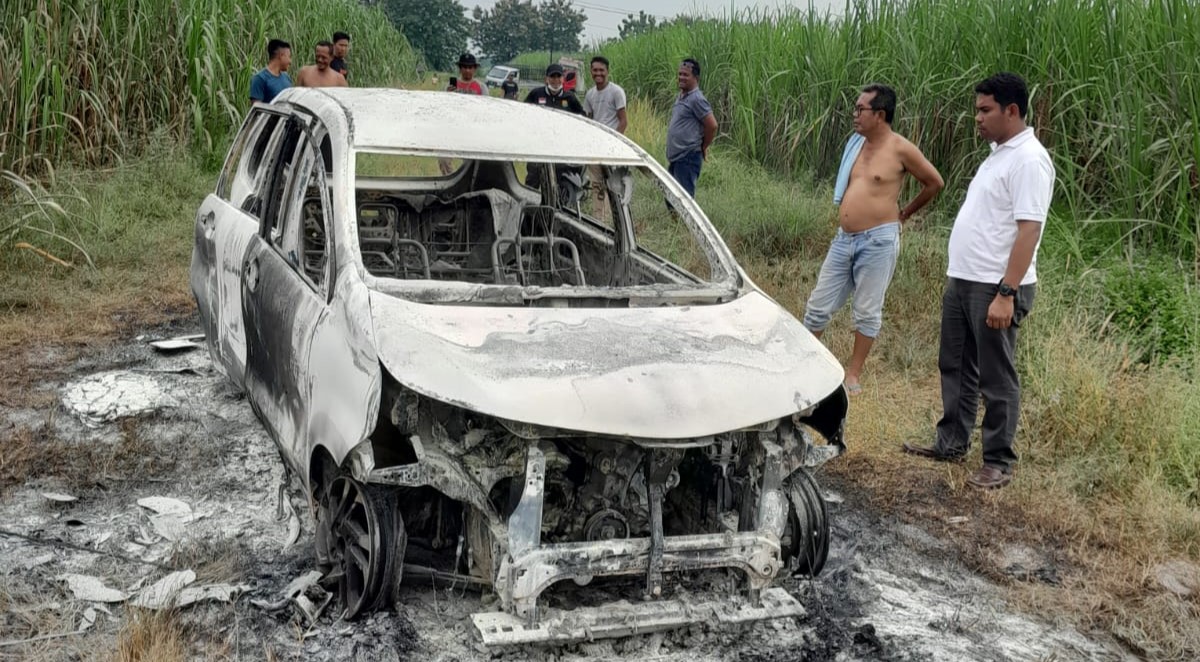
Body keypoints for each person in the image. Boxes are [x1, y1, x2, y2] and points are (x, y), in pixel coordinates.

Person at [902, 72, 1055, 490]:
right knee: (954, 364)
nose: (978, 118)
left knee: (995, 376)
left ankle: (998, 461)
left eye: (985, 110)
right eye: (976, 110)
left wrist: (1007, 293)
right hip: (965, 281)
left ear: (1012, 110)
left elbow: (1029, 230)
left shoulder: (1029, 159)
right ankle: (950, 442)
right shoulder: (998, 154)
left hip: (995, 286)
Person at [803, 84, 943, 395]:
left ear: (879, 115)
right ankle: (804, 365)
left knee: (866, 310)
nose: (854, 115)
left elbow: (934, 182)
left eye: (860, 109)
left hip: (878, 241)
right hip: (845, 239)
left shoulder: (900, 149)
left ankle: (852, 375)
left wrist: (905, 212)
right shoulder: (856, 144)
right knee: (817, 306)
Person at [524, 64, 585, 189]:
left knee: (557, 184)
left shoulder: (570, 98)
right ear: (546, 79)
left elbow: (581, 119)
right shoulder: (536, 94)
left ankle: (554, 207)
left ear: (563, 79)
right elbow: (523, 113)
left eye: (558, 76)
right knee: (532, 181)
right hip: (538, 146)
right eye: (552, 77)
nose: (555, 80)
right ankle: (531, 208)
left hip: (560, 148)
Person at [583, 56, 628, 221]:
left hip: (611, 146)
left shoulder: (616, 92)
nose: (598, 73)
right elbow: (589, 119)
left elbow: (623, 121)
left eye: (601, 70)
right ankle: (599, 219)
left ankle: (614, 220)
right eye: (595, 70)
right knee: (597, 184)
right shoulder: (590, 94)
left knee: (613, 184)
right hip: (595, 146)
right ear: (591, 72)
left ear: (607, 71)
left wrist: (614, 141)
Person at [666, 58, 717, 198]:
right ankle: (675, 220)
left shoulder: (697, 99)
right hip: (677, 157)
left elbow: (712, 125)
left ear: (696, 78)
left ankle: (681, 221)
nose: (681, 78)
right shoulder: (682, 96)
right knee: (671, 198)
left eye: (685, 75)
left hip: (688, 157)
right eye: (680, 74)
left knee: (684, 200)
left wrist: (703, 146)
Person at [250, 39, 292, 104]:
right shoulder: (259, 79)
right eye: (289, 57)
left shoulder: (287, 77)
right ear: (281, 55)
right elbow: (257, 109)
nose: (290, 62)